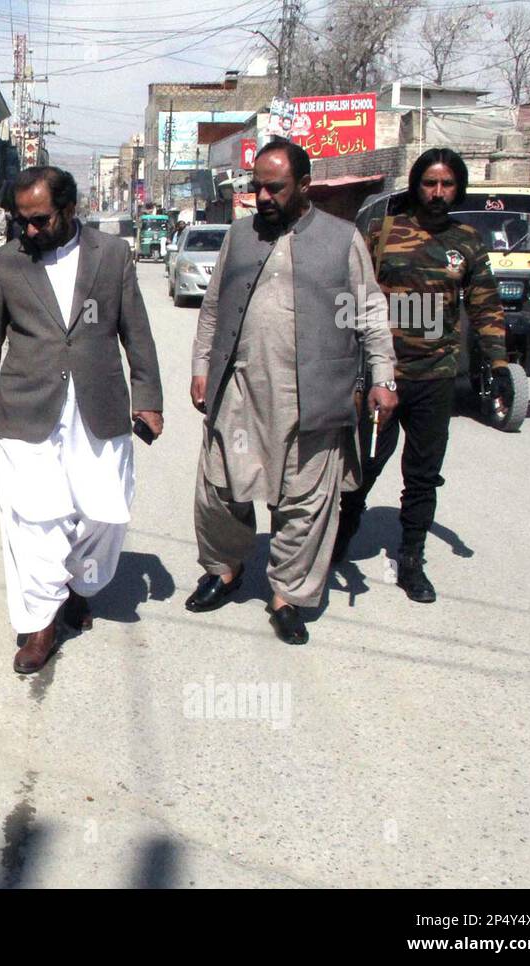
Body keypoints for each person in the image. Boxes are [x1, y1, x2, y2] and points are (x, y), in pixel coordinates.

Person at [186, 139, 397, 645]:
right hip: (239, 390)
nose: (262, 196)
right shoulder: (239, 236)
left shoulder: (341, 239)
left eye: (274, 187)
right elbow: (214, 308)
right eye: (256, 186)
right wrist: (200, 366)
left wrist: (383, 377)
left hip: (314, 394)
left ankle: (287, 595)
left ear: (304, 186)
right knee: (218, 488)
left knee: (305, 500)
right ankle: (225, 568)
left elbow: (367, 313)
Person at [0, 165, 164, 674]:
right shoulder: (4, 263)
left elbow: (135, 331)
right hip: (27, 409)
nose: (29, 231)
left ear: (69, 210)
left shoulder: (113, 255)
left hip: (97, 406)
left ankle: (77, 584)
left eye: (39, 220)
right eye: (21, 221)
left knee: (103, 511)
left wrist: (148, 396)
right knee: (33, 518)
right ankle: (40, 624)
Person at [334, 147, 506, 602]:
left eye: (447, 184)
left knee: (423, 475)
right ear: (415, 184)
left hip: (436, 376)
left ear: (458, 188)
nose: (437, 192)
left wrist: (499, 363)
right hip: (382, 376)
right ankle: (338, 538)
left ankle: (411, 559)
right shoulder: (382, 231)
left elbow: (486, 305)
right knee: (364, 465)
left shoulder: (467, 241)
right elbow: (348, 291)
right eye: (430, 183)